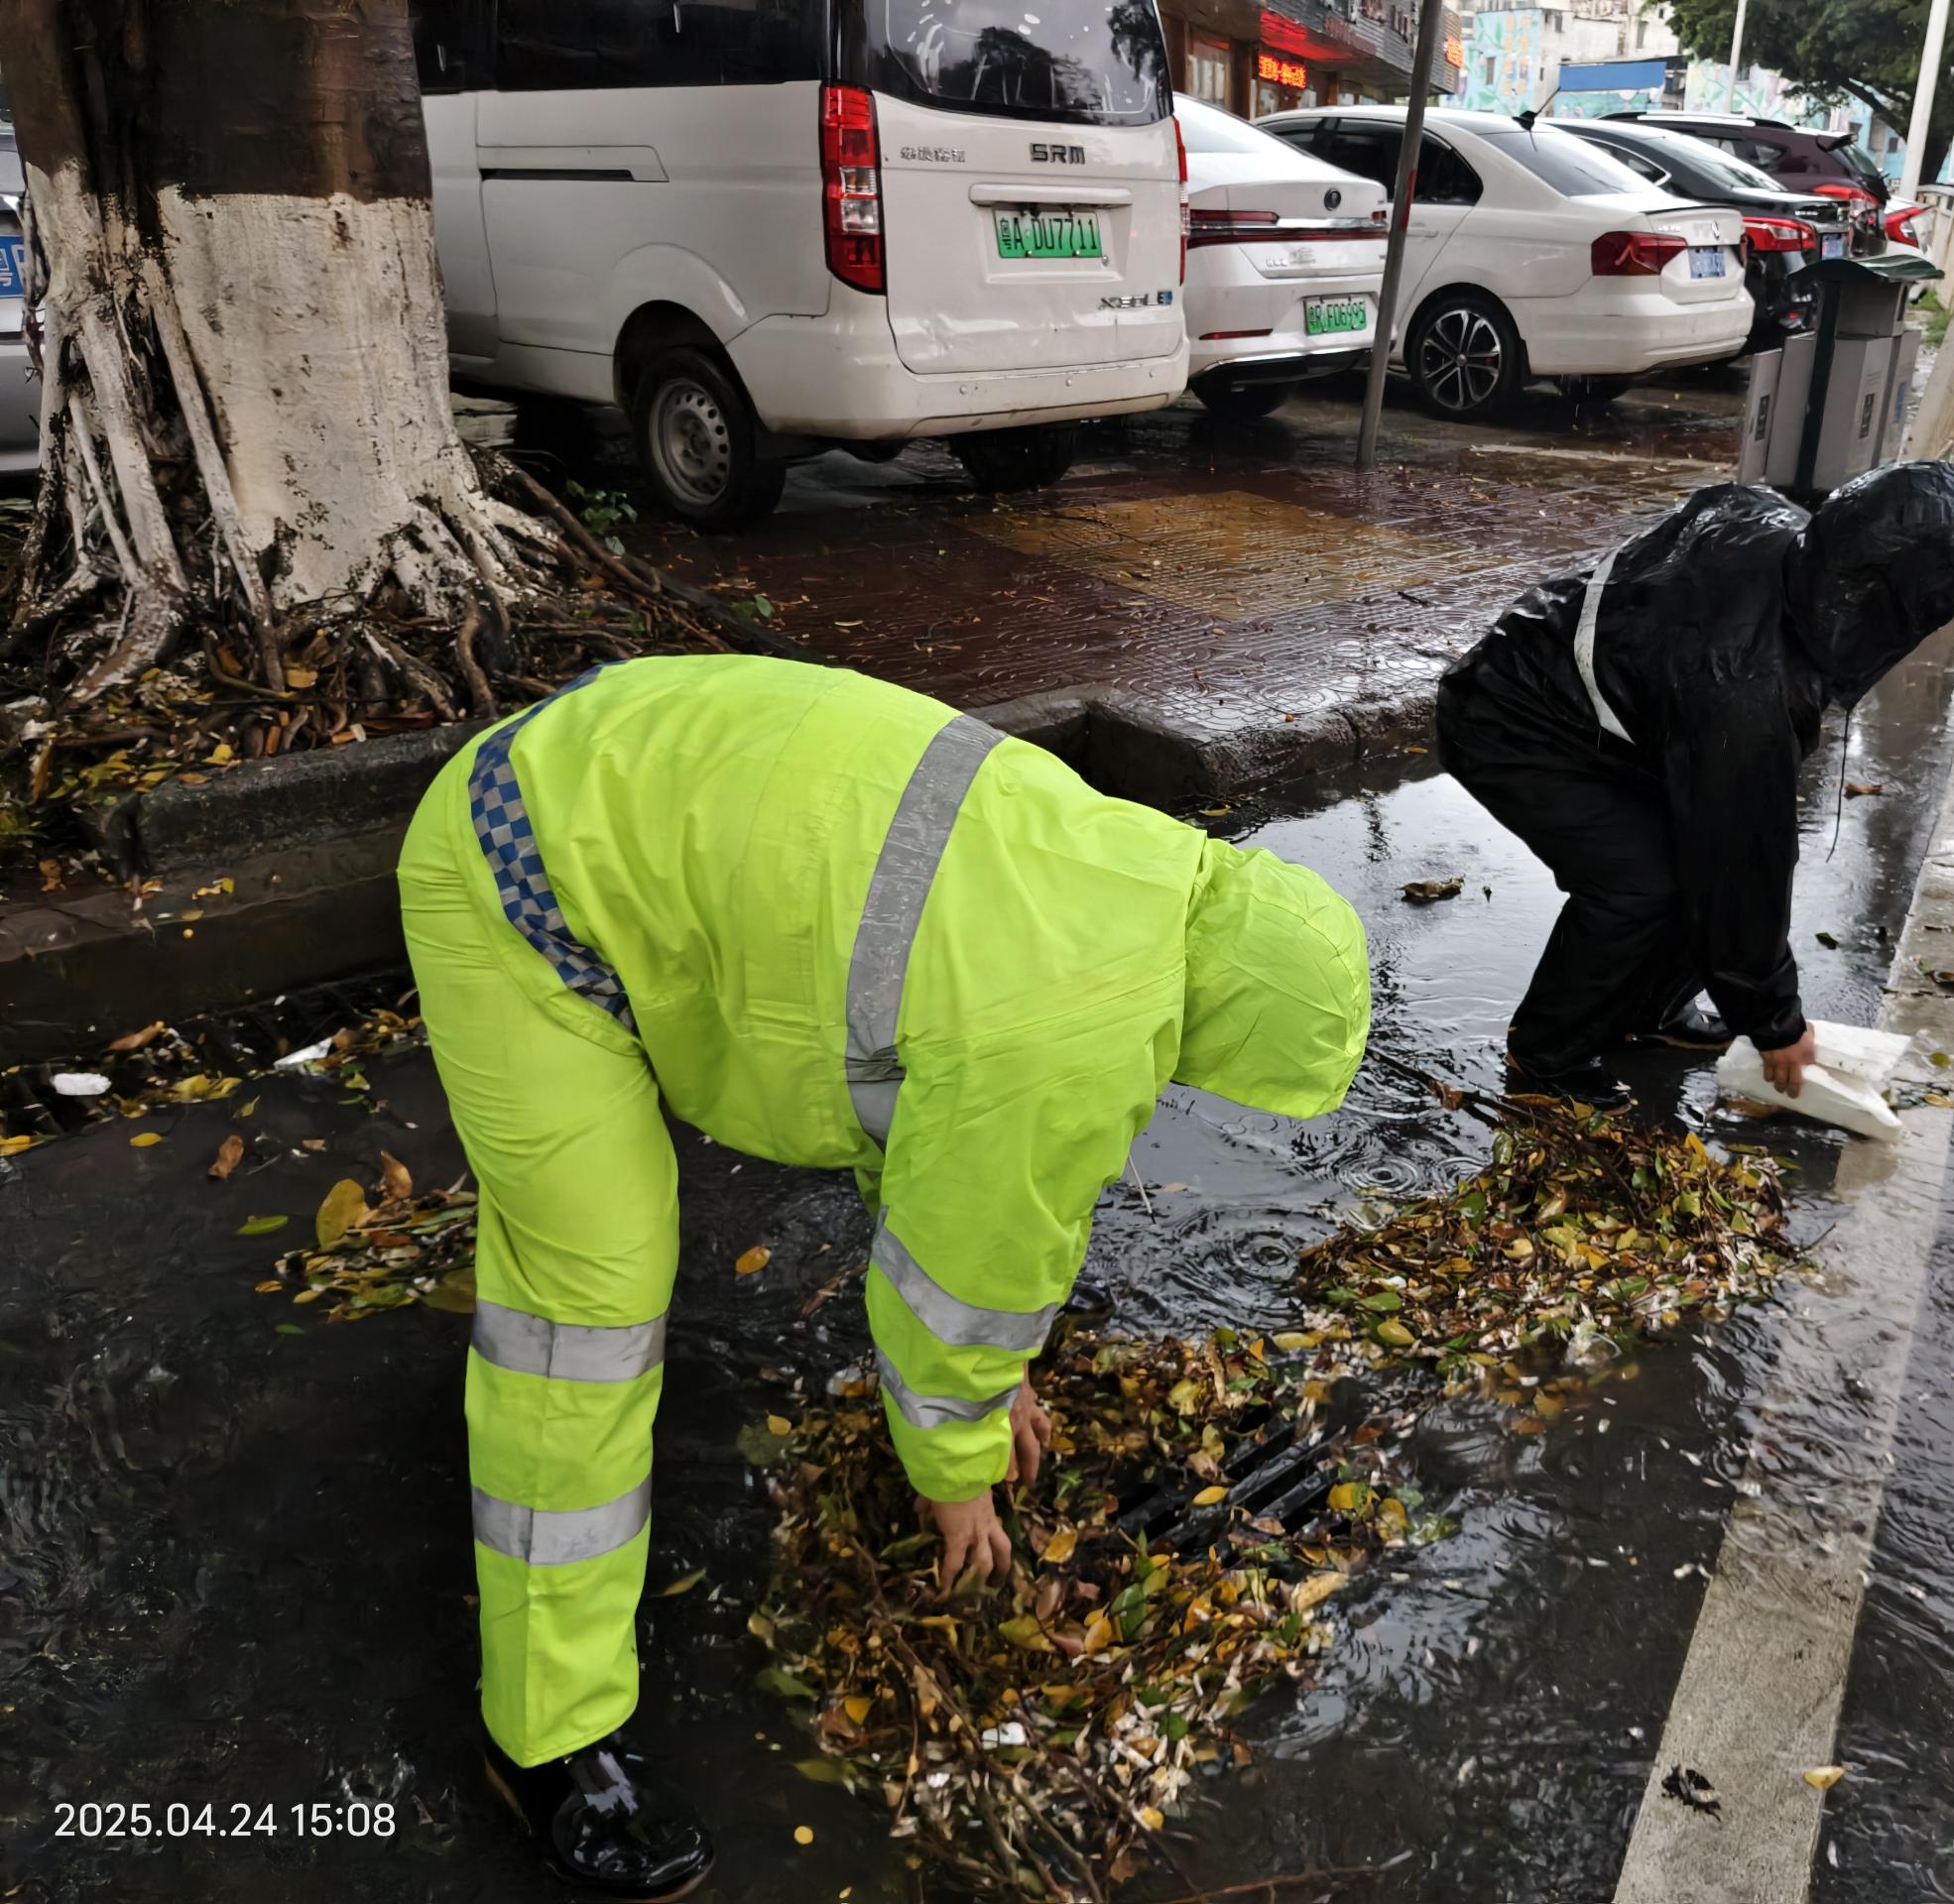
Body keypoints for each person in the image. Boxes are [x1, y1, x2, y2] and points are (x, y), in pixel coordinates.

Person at [398, 654, 1370, 1900]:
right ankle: (546, 1735)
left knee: (625, 1258)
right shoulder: (1080, 1029)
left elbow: (916, 1097)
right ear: (1229, 1032)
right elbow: (967, 1253)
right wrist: (956, 1473)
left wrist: (990, 1380)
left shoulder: (1118, 862)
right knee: (583, 1311)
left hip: (617, 753)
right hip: (520, 876)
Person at [1435, 462, 1954, 1108]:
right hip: (1510, 718)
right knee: (1641, 884)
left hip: (1589, 707)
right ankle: (1544, 1054)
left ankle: (1649, 1012)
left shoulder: (1767, 517)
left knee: (1692, 860)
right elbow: (1738, 869)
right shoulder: (1746, 690)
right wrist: (1776, 1024)